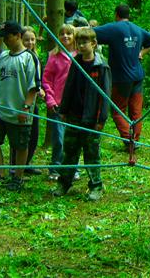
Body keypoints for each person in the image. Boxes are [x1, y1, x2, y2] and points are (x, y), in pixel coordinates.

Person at [52, 27, 111, 201]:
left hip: (91, 119)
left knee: (92, 154)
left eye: (85, 42)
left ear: (94, 43)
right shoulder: (76, 62)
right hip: (74, 115)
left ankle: (96, 186)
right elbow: (69, 86)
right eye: (79, 43)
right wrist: (64, 110)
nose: (81, 46)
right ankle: (64, 183)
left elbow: (105, 95)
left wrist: (101, 119)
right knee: (69, 151)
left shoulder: (101, 66)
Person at [0, 20, 38, 191]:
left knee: (20, 145)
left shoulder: (29, 58)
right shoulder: (3, 56)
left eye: (8, 37)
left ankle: (18, 178)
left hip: (19, 109)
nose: (5, 40)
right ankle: (0, 175)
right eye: (3, 37)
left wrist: (26, 108)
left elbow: (34, 87)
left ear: (18, 36)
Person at [93, 4, 150, 147]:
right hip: (137, 76)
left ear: (116, 14)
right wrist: (142, 52)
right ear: (128, 15)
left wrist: (75, 28)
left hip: (121, 78)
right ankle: (135, 140)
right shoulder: (137, 29)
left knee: (118, 111)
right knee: (136, 112)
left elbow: (90, 33)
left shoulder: (113, 28)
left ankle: (130, 140)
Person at [42, 23, 77, 180]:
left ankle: (73, 168)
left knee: (73, 138)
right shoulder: (54, 56)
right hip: (58, 103)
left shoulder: (80, 55)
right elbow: (47, 80)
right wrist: (50, 99)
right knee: (58, 138)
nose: (65, 36)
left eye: (69, 33)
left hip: (75, 104)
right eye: (62, 34)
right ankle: (55, 167)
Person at [9, 26, 44, 176]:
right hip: (21, 102)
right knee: (18, 136)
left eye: (32, 39)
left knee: (33, 135)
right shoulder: (18, 56)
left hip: (33, 102)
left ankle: (26, 163)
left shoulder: (36, 57)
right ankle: (14, 166)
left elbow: (38, 79)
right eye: (26, 40)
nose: (30, 42)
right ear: (20, 39)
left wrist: (40, 88)